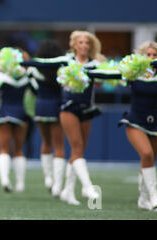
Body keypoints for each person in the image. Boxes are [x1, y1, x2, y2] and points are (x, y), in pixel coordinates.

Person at [21, 30, 104, 205]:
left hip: (87, 109)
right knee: (71, 147)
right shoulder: (65, 60)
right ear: (74, 45)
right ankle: (86, 186)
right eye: (80, 42)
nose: (84, 46)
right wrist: (19, 62)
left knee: (77, 151)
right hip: (66, 107)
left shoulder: (95, 64)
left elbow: (105, 78)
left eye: (87, 43)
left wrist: (128, 73)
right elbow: (42, 63)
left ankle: (67, 190)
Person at [89, 41, 157, 211]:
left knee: (148, 161)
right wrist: (88, 73)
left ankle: (143, 199)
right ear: (141, 57)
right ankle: (154, 197)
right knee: (146, 154)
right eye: (148, 55)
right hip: (134, 121)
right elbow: (109, 76)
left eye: (155, 55)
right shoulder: (133, 72)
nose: (151, 58)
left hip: (155, 122)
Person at [0, 47, 38, 193]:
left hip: (5, 113)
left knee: (4, 149)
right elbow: (37, 90)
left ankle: (5, 180)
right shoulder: (27, 77)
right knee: (19, 149)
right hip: (21, 113)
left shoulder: (1, 77)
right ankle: (20, 184)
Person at [28, 39, 66, 196]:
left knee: (46, 142)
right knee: (59, 145)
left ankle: (48, 178)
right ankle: (57, 184)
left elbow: (33, 89)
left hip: (41, 106)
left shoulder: (35, 69)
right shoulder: (62, 69)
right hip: (57, 106)